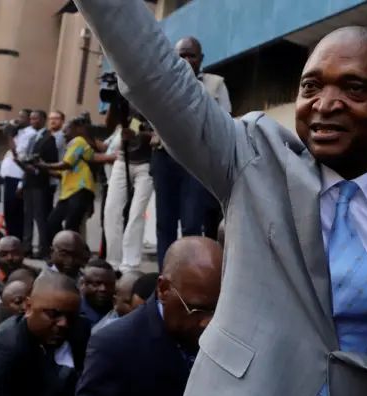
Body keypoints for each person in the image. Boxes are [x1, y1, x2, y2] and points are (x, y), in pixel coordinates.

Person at [75, 2, 367, 396]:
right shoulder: (253, 159)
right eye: (311, 86)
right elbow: (155, 76)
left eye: (354, 88)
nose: (326, 103)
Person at [76, 237, 222, 396]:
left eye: (217, 310)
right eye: (196, 309)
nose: (207, 322)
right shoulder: (114, 347)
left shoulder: (227, 334)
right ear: (163, 289)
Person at [149, 36, 232, 271]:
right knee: (164, 223)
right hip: (164, 158)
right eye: (181, 55)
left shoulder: (216, 84)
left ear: (201, 59)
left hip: (195, 161)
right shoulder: (161, 84)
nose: (186, 60)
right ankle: (164, 275)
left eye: (191, 55)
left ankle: (189, 276)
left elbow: (224, 121)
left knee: (191, 223)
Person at [0, 272, 92, 396]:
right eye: (53, 314)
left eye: (71, 316)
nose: (63, 323)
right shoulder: (0, 349)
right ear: (28, 306)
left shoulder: (81, 328)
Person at [36, 117, 115, 238]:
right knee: (53, 222)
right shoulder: (70, 147)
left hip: (80, 188)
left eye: (66, 131)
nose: (63, 134)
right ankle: (64, 246)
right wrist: (40, 167)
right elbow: (60, 174)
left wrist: (44, 165)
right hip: (68, 192)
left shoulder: (78, 141)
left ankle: (73, 251)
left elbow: (66, 164)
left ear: (75, 130)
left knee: (72, 225)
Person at [103, 112, 155, 273]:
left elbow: (159, 134)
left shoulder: (157, 101)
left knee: (136, 213)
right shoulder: (130, 104)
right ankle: (113, 261)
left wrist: (138, 133)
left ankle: (130, 263)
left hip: (147, 164)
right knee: (111, 210)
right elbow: (122, 124)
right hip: (123, 160)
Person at [17, 110, 58, 258]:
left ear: (43, 119)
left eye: (36, 118)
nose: (33, 121)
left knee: (40, 216)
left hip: (41, 182)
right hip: (28, 181)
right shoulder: (30, 137)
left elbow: (52, 162)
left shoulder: (49, 138)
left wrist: (39, 167)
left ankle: (43, 248)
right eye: (32, 118)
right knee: (28, 215)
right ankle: (26, 247)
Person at [0, 109, 35, 240]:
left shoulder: (30, 134)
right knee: (8, 210)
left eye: (22, 117)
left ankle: (17, 239)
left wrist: (9, 135)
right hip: (9, 175)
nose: (19, 119)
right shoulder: (18, 133)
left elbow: (17, 154)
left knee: (16, 210)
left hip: (18, 175)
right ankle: (10, 237)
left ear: (29, 119)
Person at [80, 262, 116, 326]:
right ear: (83, 283)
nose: (103, 289)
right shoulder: (74, 312)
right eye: (97, 283)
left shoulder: (119, 311)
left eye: (110, 284)